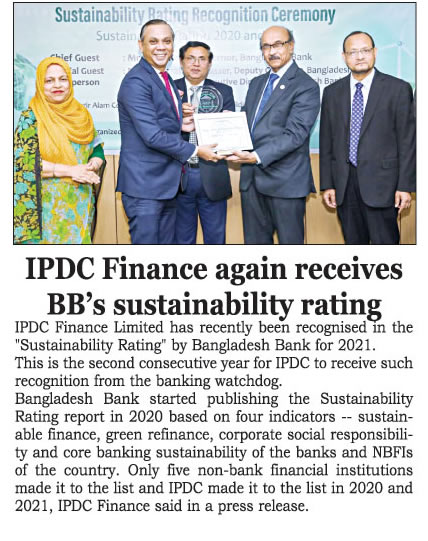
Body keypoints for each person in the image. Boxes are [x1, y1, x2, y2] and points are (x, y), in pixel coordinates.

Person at [116, 20, 220, 244]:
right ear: (141, 45)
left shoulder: (164, 78)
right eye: (153, 41)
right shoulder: (136, 81)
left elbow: (161, 121)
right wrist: (195, 150)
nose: (161, 47)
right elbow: (152, 135)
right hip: (145, 188)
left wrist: (182, 125)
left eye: (166, 41)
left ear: (173, 45)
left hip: (166, 186)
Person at [320, 31, 416, 244]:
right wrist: (328, 184)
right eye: (353, 52)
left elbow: (408, 142)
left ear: (375, 52)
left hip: (384, 185)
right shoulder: (332, 92)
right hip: (345, 186)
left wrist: (405, 186)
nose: (360, 56)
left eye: (365, 50)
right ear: (344, 56)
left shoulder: (398, 89)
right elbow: (326, 142)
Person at [227, 26, 320, 244]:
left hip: (285, 182)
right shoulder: (257, 83)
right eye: (266, 46)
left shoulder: (306, 85)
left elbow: (295, 134)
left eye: (278, 45)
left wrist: (256, 156)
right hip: (251, 182)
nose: (272, 51)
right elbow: (250, 124)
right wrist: (230, 123)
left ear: (291, 46)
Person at [13, 57, 105, 244]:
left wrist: (94, 164)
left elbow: (96, 148)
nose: (57, 85)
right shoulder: (30, 118)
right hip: (44, 209)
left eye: (63, 79)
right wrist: (71, 171)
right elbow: (24, 164)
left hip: (79, 205)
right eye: (49, 80)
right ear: (40, 84)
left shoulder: (81, 115)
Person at [174, 41, 235, 244]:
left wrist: (226, 123)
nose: (196, 64)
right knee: (182, 241)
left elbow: (228, 136)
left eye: (202, 59)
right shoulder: (169, 90)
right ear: (181, 62)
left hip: (212, 174)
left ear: (209, 64)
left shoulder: (223, 91)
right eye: (191, 58)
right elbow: (160, 132)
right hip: (178, 176)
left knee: (216, 240)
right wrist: (177, 117)